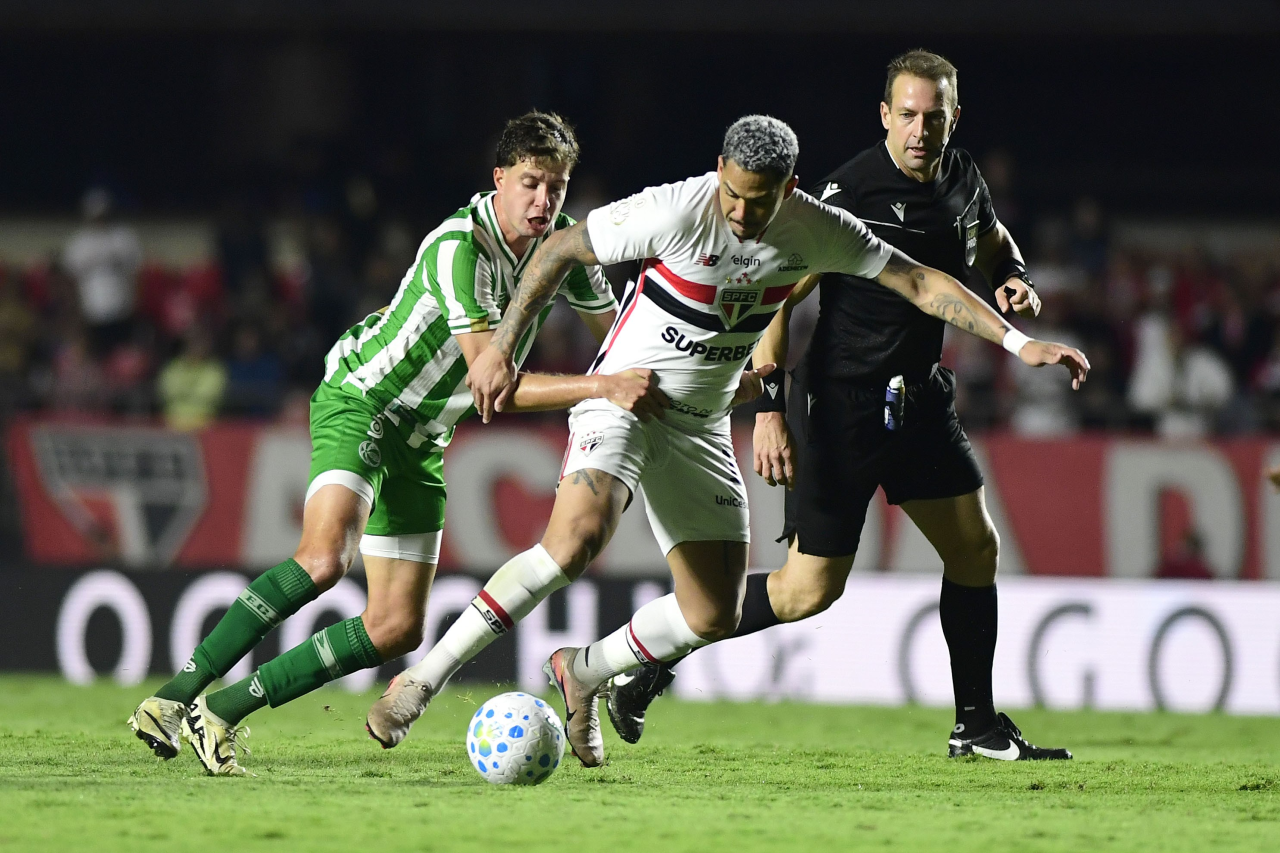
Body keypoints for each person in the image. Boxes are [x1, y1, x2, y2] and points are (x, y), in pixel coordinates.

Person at [366, 113, 1089, 767]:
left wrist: (1018, 343)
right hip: (626, 397)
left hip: (702, 424)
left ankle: (584, 669)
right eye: (733, 195)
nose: (742, 213)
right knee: (576, 540)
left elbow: (920, 281)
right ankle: (423, 679)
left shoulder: (814, 226)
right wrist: (501, 348)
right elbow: (560, 247)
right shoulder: (676, 207)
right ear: (719, 171)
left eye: (760, 201)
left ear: (790, 189)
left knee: (710, 612)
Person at [127, 112, 665, 775]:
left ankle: (223, 710)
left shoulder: (561, 251)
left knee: (394, 627)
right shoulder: (457, 248)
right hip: (365, 400)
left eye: (555, 186)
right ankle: (173, 697)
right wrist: (605, 386)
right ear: (499, 179)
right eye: (530, 182)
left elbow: (620, 334)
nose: (543, 201)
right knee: (325, 558)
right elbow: (492, 382)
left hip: (423, 437)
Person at [603, 50, 1080, 762]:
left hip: (919, 398)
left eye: (935, 116)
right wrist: (768, 398)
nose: (922, 130)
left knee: (976, 548)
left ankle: (975, 725)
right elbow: (778, 290)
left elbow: (986, 235)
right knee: (805, 592)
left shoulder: (960, 174)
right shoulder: (846, 193)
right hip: (841, 407)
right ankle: (651, 663)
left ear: (955, 116)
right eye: (909, 115)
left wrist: (1009, 275)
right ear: (885, 115)